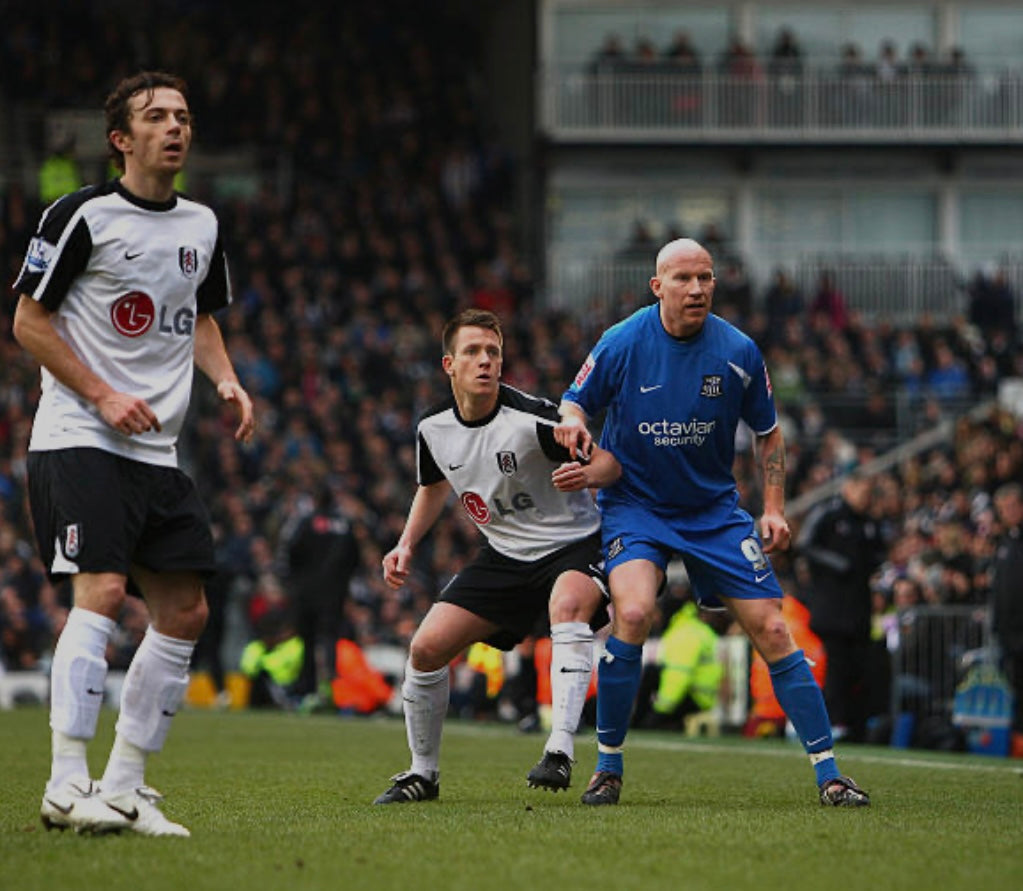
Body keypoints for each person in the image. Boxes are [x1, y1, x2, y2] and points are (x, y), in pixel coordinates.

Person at [12, 71, 254, 836]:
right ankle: (63, 782)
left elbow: (199, 319)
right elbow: (27, 321)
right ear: (122, 139)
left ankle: (122, 785)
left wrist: (226, 380)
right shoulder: (81, 214)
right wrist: (100, 393)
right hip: (80, 436)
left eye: (182, 115)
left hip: (158, 450)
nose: (174, 127)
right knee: (106, 591)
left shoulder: (202, 225)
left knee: (186, 609)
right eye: (156, 117)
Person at [557, 237, 869, 807]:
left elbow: (768, 432)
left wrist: (772, 506)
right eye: (683, 278)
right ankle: (608, 767)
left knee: (774, 631)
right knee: (631, 613)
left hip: (713, 513)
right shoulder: (622, 342)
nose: (697, 288)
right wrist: (573, 424)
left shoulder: (739, 351)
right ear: (658, 286)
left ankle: (830, 774)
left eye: (705, 277)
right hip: (637, 505)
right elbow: (575, 399)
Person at [373, 308, 621, 804]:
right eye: (473, 351)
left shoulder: (533, 419)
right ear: (449, 364)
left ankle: (560, 751)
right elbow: (433, 486)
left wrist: (589, 475)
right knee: (425, 649)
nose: (485, 361)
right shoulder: (433, 430)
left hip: (572, 543)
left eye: (493, 352)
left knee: (567, 607)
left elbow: (610, 463)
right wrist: (405, 544)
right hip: (505, 555)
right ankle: (423, 774)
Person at [796, 472, 886, 742]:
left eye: (868, 492)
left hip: (858, 610)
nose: (865, 497)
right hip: (832, 609)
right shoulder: (829, 515)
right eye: (861, 490)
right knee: (836, 669)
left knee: (857, 669)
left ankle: (852, 725)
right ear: (848, 488)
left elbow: (880, 553)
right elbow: (805, 544)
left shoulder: (868, 523)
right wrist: (836, 563)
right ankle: (833, 724)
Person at [991, 483, 1023, 758]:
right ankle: (1018, 745)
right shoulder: (1006, 542)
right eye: (1002, 509)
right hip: (1008, 634)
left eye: (1011, 507)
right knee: (1016, 691)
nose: (1007, 513)